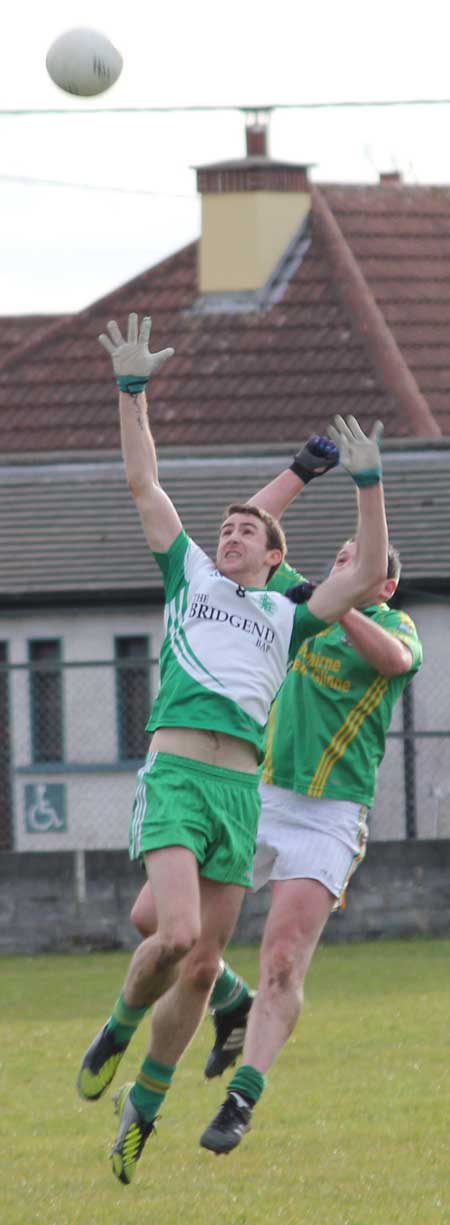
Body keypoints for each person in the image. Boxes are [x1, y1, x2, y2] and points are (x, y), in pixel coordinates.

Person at [76, 312, 389, 1186]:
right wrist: (131, 392)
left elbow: (364, 574)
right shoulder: (192, 575)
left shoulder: (288, 612)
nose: (232, 531)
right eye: (226, 525)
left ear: (276, 556)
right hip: (176, 774)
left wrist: (367, 483)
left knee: (208, 963)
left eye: (248, 529)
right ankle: (115, 1023)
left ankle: (143, 1107)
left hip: (239, 793)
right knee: (173, 935)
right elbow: (144, 483)